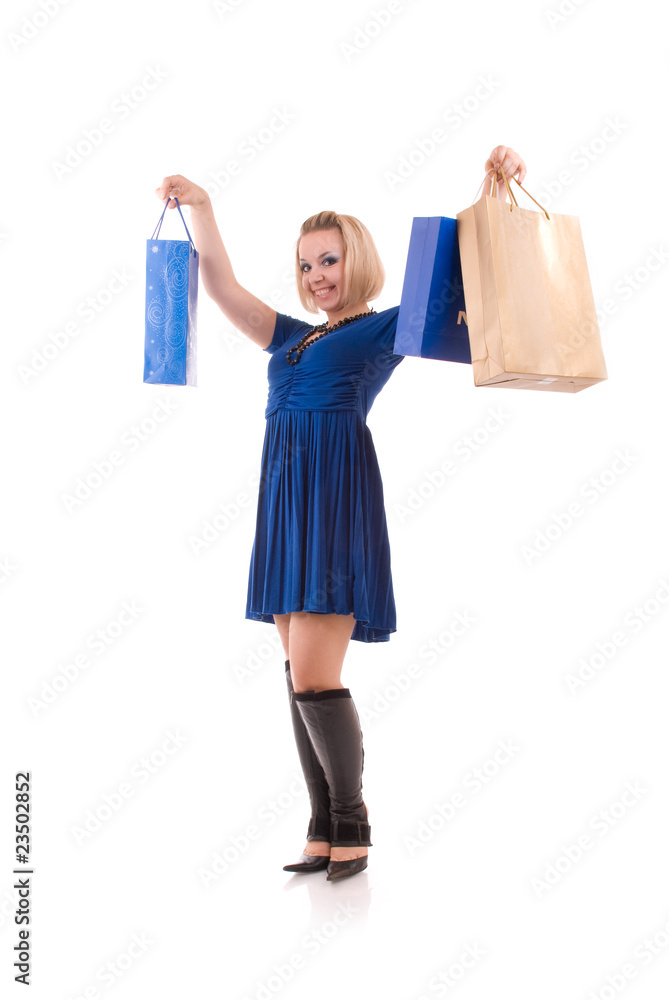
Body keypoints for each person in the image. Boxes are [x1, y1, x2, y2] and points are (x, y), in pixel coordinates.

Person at [155, 145, 527, 882]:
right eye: (304, 266)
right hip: (285, 501)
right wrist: (199, 206)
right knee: (297, 673)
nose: (316, 278)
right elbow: (221, 285)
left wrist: (491, 190)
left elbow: (448, 276)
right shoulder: (291, 338)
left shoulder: (383, 328)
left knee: (315, 676)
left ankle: (353, 821)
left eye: (327, 261)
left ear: (354, 260)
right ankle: (322, 825)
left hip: (331, 499)